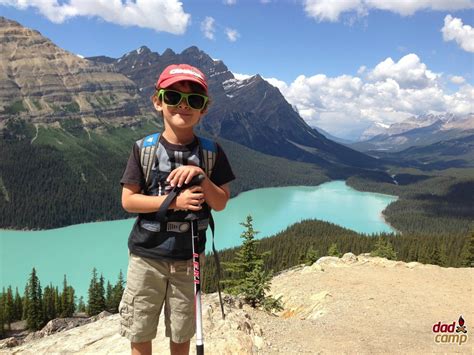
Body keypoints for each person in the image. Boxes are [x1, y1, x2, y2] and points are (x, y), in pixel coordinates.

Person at [118, 64, 235, 355]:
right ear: (158, 101)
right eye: (173, 97)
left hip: (188, 259)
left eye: (194, 101)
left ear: (204, 109)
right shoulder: (143, 149)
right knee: (140, 330)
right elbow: (129, 200)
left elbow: (220, 202)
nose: (183, 106)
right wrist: (175, 202)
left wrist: (202, 176)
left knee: (182, 333)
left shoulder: (211, 152)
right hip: (147, 256)